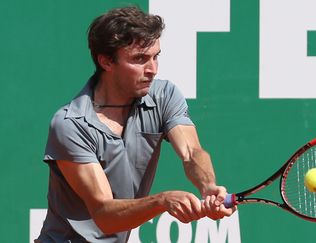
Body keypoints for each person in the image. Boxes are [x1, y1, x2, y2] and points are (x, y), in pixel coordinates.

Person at [36, 6, 235, 243]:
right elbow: (104, 214)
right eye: (139, 59)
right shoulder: (70, 125)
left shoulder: (164, 95)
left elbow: (191, 152)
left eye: (155, 56)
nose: (152, 69)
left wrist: (208, 186)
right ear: (107, 61)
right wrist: (162, 201)